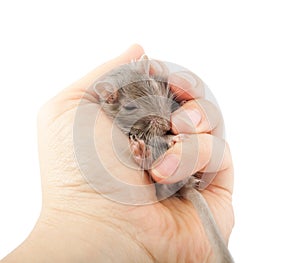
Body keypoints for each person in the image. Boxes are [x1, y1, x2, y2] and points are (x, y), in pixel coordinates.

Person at [1, 44, 234, 263]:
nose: (162, 118)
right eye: (134, 106)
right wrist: (110, 229)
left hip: (173, 179)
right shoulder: (99, 119)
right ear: (110, 98)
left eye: (157, 96)